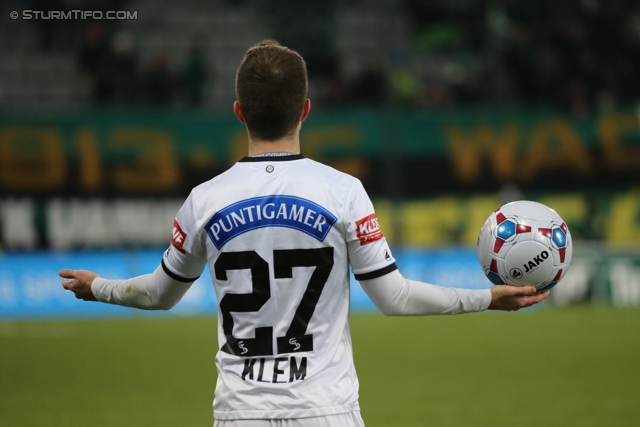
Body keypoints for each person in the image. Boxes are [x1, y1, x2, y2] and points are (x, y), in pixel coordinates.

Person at [60, 40, 549, 427]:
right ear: (306, 109)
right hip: (326, 409)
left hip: (240, 413)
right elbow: (394, 298)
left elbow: (159, 294)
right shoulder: (343, 192)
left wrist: (97, 287)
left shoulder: (204, 200)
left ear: (239, 111)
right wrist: (486, 299)